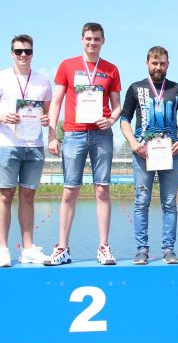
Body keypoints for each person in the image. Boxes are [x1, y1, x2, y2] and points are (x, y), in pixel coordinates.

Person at [46, 22, 122, 266]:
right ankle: (62, 247)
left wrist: (111, 120)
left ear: (103, 41)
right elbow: (56, 102)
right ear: (82, 40)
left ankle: (103, 247)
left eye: (96, 39)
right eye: (88, 38)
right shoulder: (67, 65)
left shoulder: (111, 69)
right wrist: (52, 135)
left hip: (101, 134)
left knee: (102, 189)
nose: (92, 42)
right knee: (70, 190)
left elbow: (117, 106)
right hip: (73, 134)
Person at [119, 46, 178, 265]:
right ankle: (141, 250)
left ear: (168, 64)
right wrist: (134, 144)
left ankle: (168, 250)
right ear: (147, 63)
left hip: (170, 154)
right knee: (141, 202)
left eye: (162, 63)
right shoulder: (136, 88)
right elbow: (124, 119)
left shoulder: (176, 89)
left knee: (169, 203)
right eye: (154, 63)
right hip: (143, 154)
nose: (158, 67)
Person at [0, 34, 52, 267]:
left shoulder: (43, 80)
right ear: (11, 53)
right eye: (19, 51)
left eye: (27, 51)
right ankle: (3, 248)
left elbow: (48, 113)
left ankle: (28, 248)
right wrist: (3, 116)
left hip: (34, 145)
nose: (23, 55)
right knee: (5, 194)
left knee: (28, 195)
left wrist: (47, 122)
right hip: (8, 143)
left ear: (33, 53)